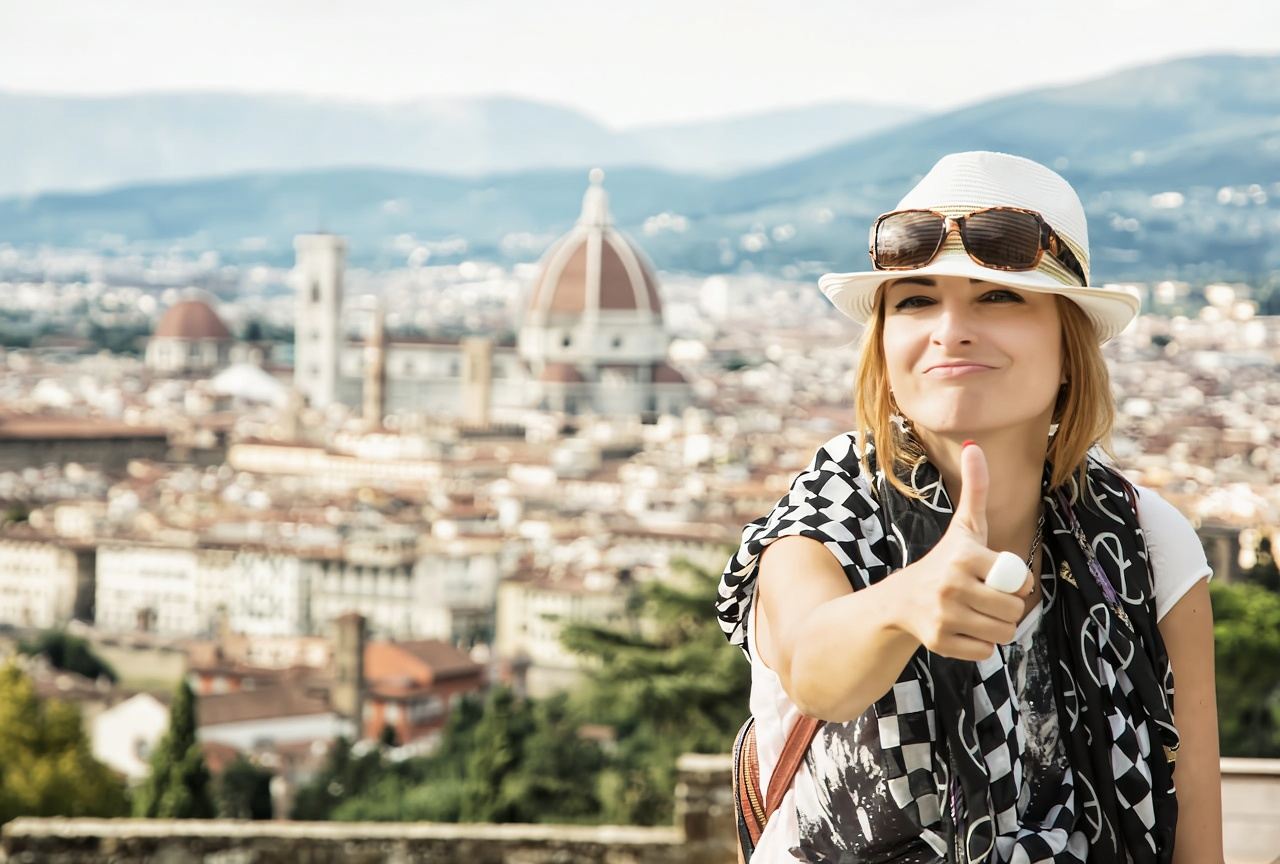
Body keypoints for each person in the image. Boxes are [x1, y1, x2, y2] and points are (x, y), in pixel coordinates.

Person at [716, 151, 1224, 863]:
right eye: (917, 300)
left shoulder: (1145, 538)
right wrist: (903, 603)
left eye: (998, 297)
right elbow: (814, 668)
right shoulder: (834, 507)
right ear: (884, 346)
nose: (949, 329)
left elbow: (1193, 809)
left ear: (1069, 343)